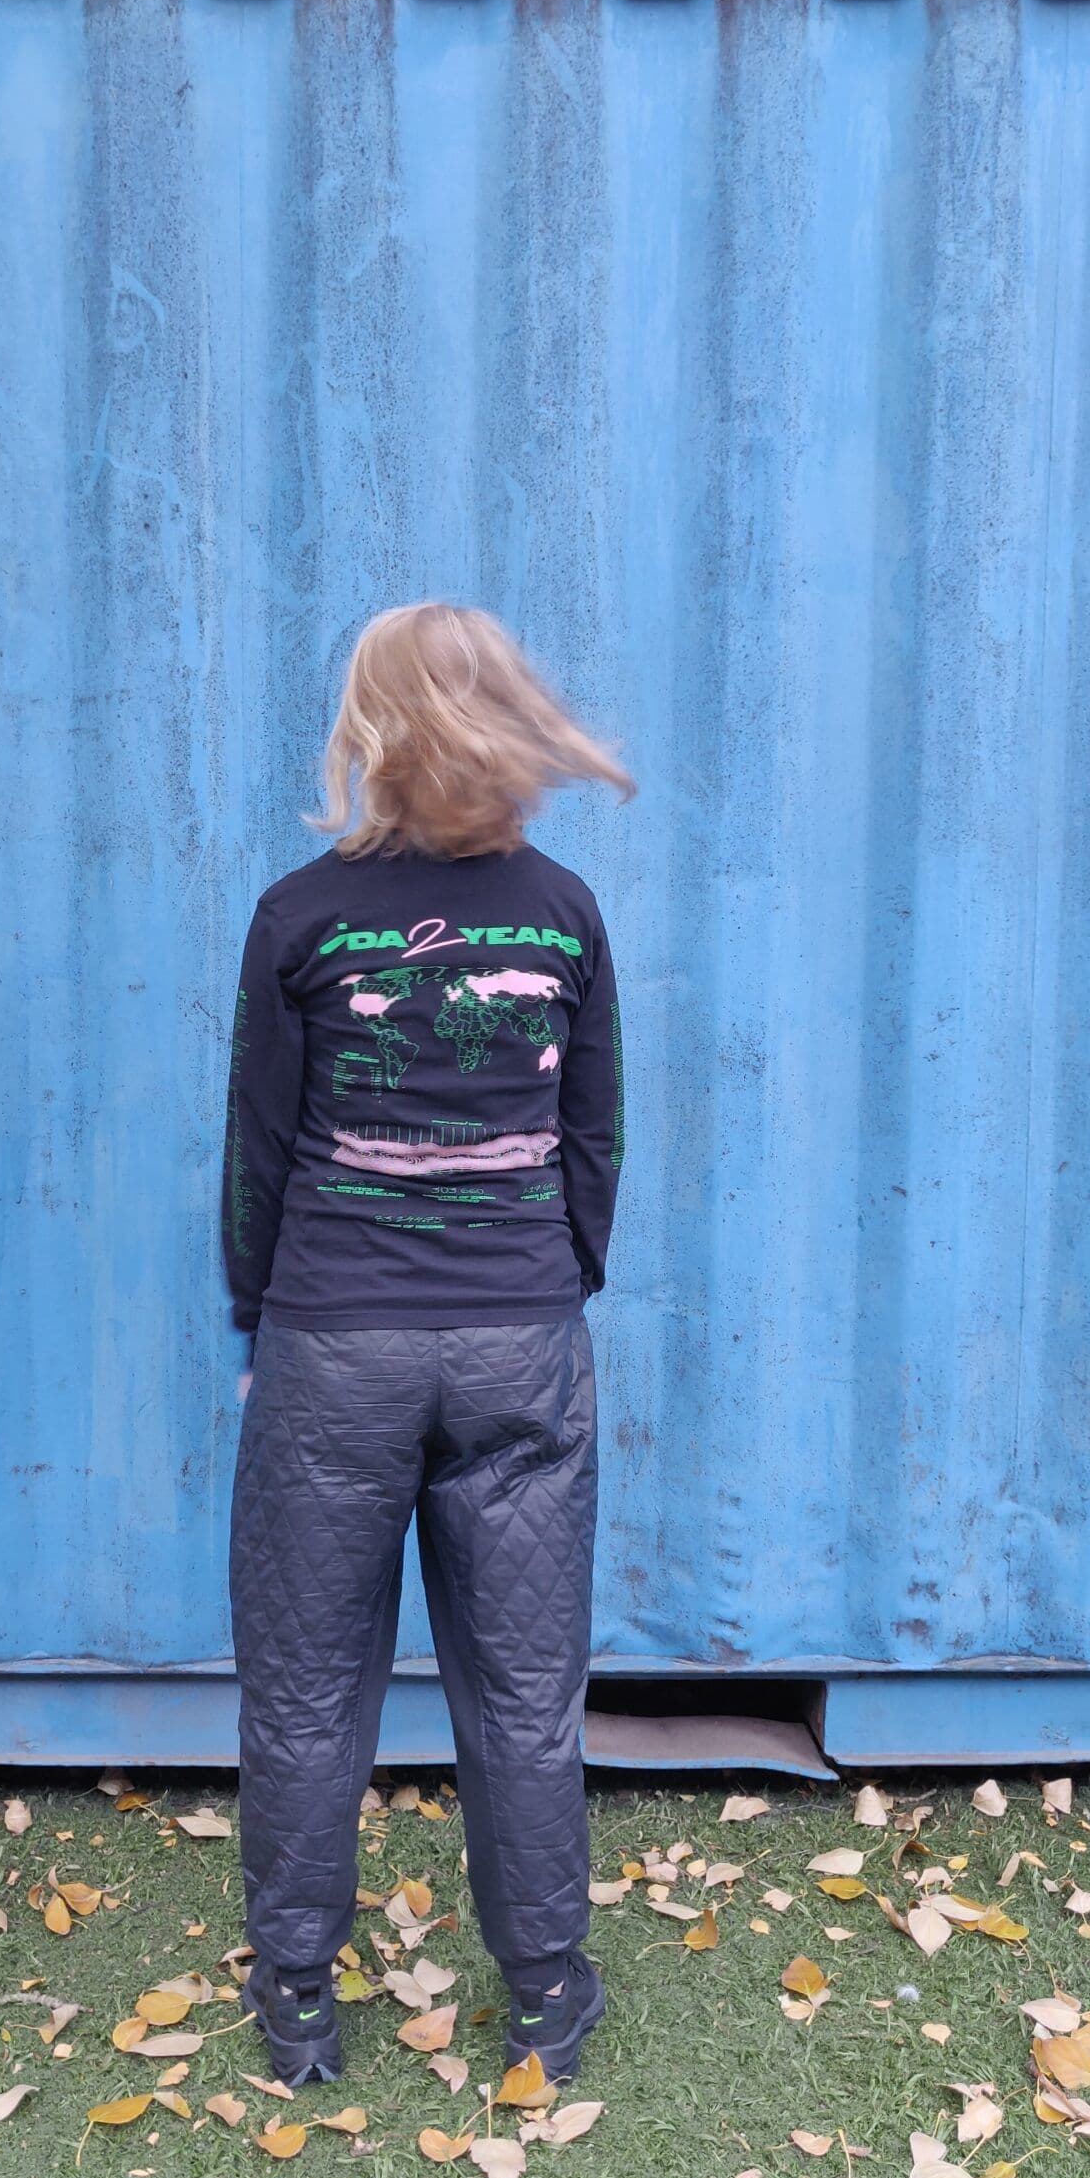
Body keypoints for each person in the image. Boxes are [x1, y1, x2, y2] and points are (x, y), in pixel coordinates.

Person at [221, 602, 633, 2088]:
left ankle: (298, 2004)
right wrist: (555, 1282)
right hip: (520, 1343)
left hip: (336, 1349)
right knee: (525, 1690)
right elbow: (593, 1138)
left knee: (306, 1687)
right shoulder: (565, 911)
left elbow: (261, 1149)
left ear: (369, 726)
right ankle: (547, 1994)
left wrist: (260, 1311)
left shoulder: (302, 915)